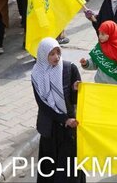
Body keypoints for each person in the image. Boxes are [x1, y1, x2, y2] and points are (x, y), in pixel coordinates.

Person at [31, 38, 84, 183]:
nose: (56, 57)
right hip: (50, 129)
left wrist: (75, 90)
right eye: (51, 54)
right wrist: (63, 119)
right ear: (43, 56)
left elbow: (75, 101)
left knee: (68, 173)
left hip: (69, 130)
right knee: (49, 170)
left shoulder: (69, 68)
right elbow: (43, 105)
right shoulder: (36, 74)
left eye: (58, 52)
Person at [80, 21, 117, 85]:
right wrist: (86, 63)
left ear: (111, 33)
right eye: (99, 33)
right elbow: (96, 62)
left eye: (103, 34)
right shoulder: (101, 45)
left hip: (115, 88)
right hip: (100, 84)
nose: (100, 36)